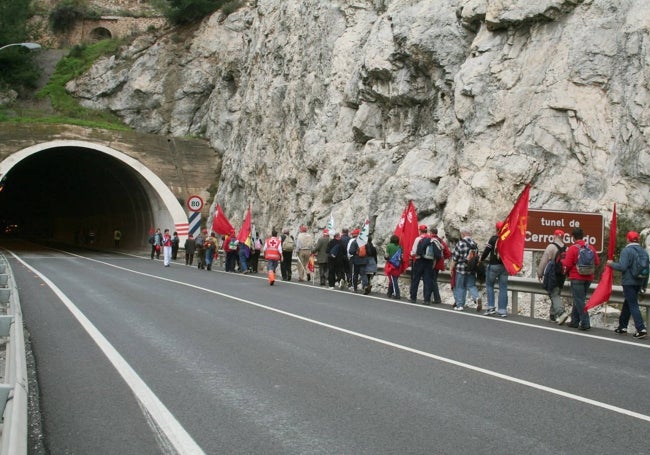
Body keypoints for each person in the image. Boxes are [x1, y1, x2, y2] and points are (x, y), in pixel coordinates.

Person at [608, 231, 648, 339]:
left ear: (627, 239)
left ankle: (641, 329)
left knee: (633, 304)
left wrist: (611, 264)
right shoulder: (643, 252)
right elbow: (646, 269)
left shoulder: (626, 250)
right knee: (628, 302)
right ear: (637, 239)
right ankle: (622, 326)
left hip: (629, 282)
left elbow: (623, 267)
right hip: (640, 280)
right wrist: (644, 285)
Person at [561, 227, 600, 330]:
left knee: (579, 300)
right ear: (583, 236)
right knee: (579, 299)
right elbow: (597, 262)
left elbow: (567, 264)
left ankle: (585, 322)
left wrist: (562, 263)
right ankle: (574, 321)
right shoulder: (590, 248)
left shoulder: (573, 248)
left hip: (576, 277)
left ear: (573, 237)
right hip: (589, 277)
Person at [536, 229, 568, 324]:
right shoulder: (566, 248)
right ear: (562, 237)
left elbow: (544, 261)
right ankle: (553, 316)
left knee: (553, 294)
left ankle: (561, 313)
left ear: (555, 236)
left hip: (552, 274)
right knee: (556, 292)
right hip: (562, 274)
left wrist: (540, 273)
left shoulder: (551, 247)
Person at [481, 222, 508, 316]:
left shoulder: (493, 239)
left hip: (493, 266)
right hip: (504, 266)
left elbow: (487, 251)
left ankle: (491, 307)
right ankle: (502, 310)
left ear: (496, 229)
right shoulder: (507, 239)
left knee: (489, 286)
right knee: (503, 288)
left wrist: (481, 259)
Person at [450, 227, 481, 311]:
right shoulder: (474, 244)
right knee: (471, 285)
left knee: (460, 286)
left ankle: (460, 305)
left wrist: (451, 268)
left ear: (462, 234)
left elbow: (455, 258)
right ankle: (477, 298)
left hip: (461, 268)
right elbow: (478, 257)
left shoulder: (460, 243)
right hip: (471, 269)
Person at [409, 225, 434, 305]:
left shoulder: (418, 239)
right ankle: (426, 299)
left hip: (419, 260)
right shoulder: (431, 239)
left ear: (420, 231)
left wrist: (412, 254)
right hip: (429, 262)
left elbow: (413, 251)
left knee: (416, 279)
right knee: (427, 280)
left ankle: (413, 297)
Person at [431, 228, 452, 305]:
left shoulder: (431, 240)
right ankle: (431, 297)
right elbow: (448, 253)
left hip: (431, 264)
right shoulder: (441, 241)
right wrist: (442, 259)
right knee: (434, 279)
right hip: (439, 264)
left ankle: (437, 298)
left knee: (432, 281)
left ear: (431, 232)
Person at [384, 234, 402, 299]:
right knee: (393, 279)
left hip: (391, 265)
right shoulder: (400, 247)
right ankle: (389, 292)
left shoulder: (389, 246)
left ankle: (397, 294)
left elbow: (386, 256)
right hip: (398, 265)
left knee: (393, 280)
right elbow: (401, 257)